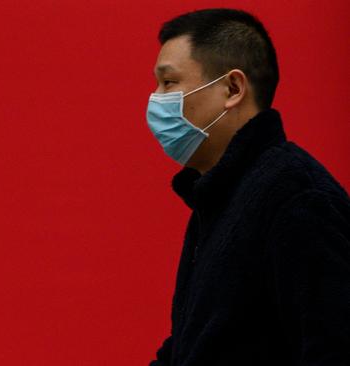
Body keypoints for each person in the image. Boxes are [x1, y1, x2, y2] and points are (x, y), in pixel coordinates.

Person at [145, 8, 350, 366]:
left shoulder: (296, 196)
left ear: (233, 88)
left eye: (169, 82)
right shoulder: (220, 196)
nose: (155, 99)